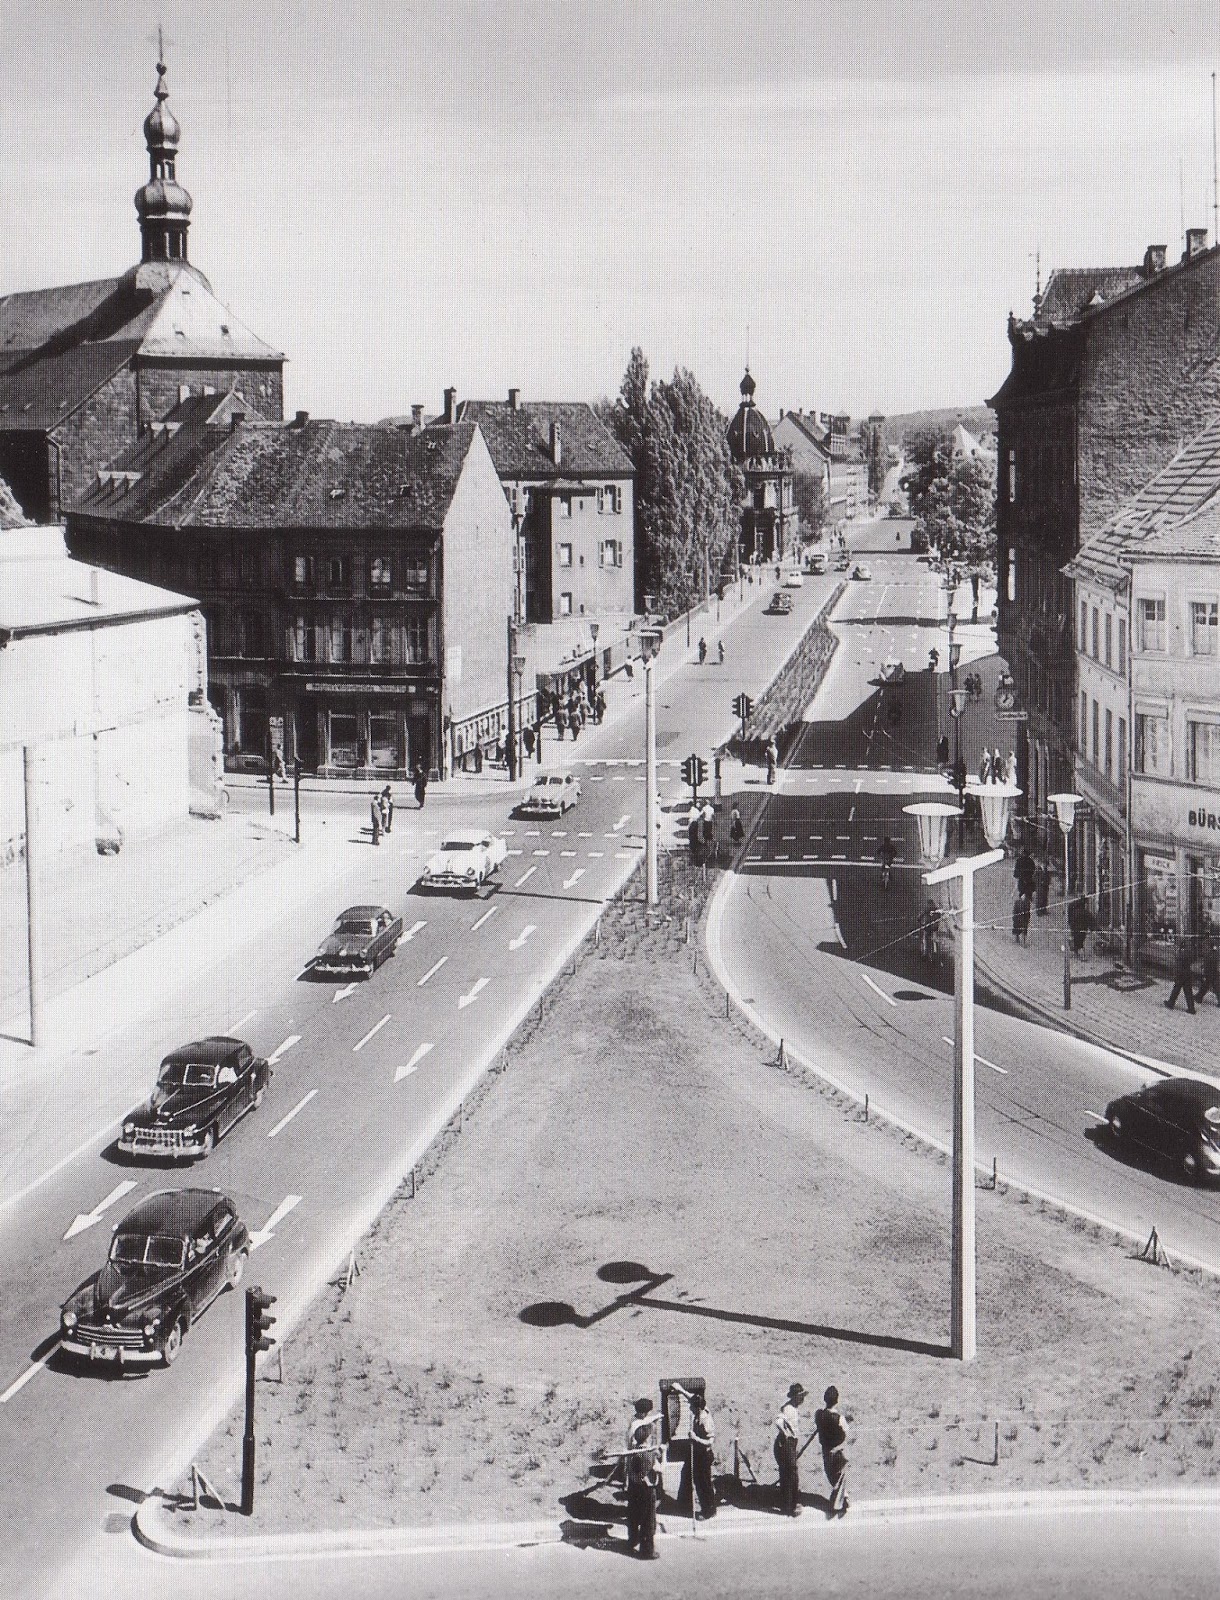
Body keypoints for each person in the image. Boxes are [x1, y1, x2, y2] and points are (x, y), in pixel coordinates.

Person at [624, 1398, 661, 1559]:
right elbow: (659, 1468)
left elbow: (643, 1422)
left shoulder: (633, 1425)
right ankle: (647, 1551)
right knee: (647, 1518)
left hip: (633, 1473)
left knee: (633, 1511)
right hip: (646, 1482)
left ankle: (632, 1540)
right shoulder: (648, 1453)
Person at [814, 1386, 849, 1518]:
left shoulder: (819, 1415)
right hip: (838, 1451)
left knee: (832, 1476)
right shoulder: (839, 1418)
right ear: (837, 1400)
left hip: (826, 1451)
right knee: (839, 1477)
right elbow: (845, 1432)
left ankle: (843, 1498)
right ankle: (839, 1503)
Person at [773, 1382, 807, 1516]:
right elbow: (778, 1421)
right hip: (786, 1444)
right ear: (795, 1397)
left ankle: (787, 1504)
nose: (802, 1399)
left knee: (788, 1474)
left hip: (790, 1444)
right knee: (790, 1474)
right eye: (800, 1396)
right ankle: (790, 1507)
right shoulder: (788, 1408)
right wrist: (786, 1434)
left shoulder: (793, 1408)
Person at [1166, 937, 1197, 1013]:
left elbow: (1178, 964)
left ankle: (1171, 1003)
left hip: (1181, 973)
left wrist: (1176, 974)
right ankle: (1191, 1008)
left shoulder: (1182, 953)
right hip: (1188, 973)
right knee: (1188, 991)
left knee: (1176, 988)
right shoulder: (1191, 952)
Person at [1196, 933, 1220, 1007]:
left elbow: (1208, 962)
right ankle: (1199, 997)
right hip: (1214, 971)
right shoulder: (1215, 952)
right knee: (1206, 985)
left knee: (1215, 986)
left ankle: (1199, 997)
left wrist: (1204, 970)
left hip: (1211, 971)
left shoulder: (1209, 952)